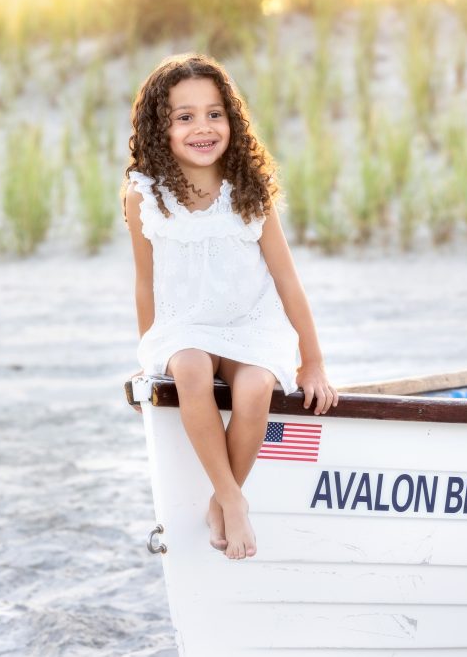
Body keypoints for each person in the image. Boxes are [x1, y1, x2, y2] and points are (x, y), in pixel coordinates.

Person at [122, 53, 338, 560]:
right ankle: (234, 498)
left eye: (215, 113)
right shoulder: (145, 195)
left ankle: (224, 497)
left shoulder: (248, 190)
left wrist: (314, 362)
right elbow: (145, 281)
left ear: (232, 120)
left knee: (257, 386)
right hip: (184, 327)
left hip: (250, 325)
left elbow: (287, 279)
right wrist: (148, 354)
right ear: (161, 127)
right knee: (192, 369)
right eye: (185, 116)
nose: (203, 127)